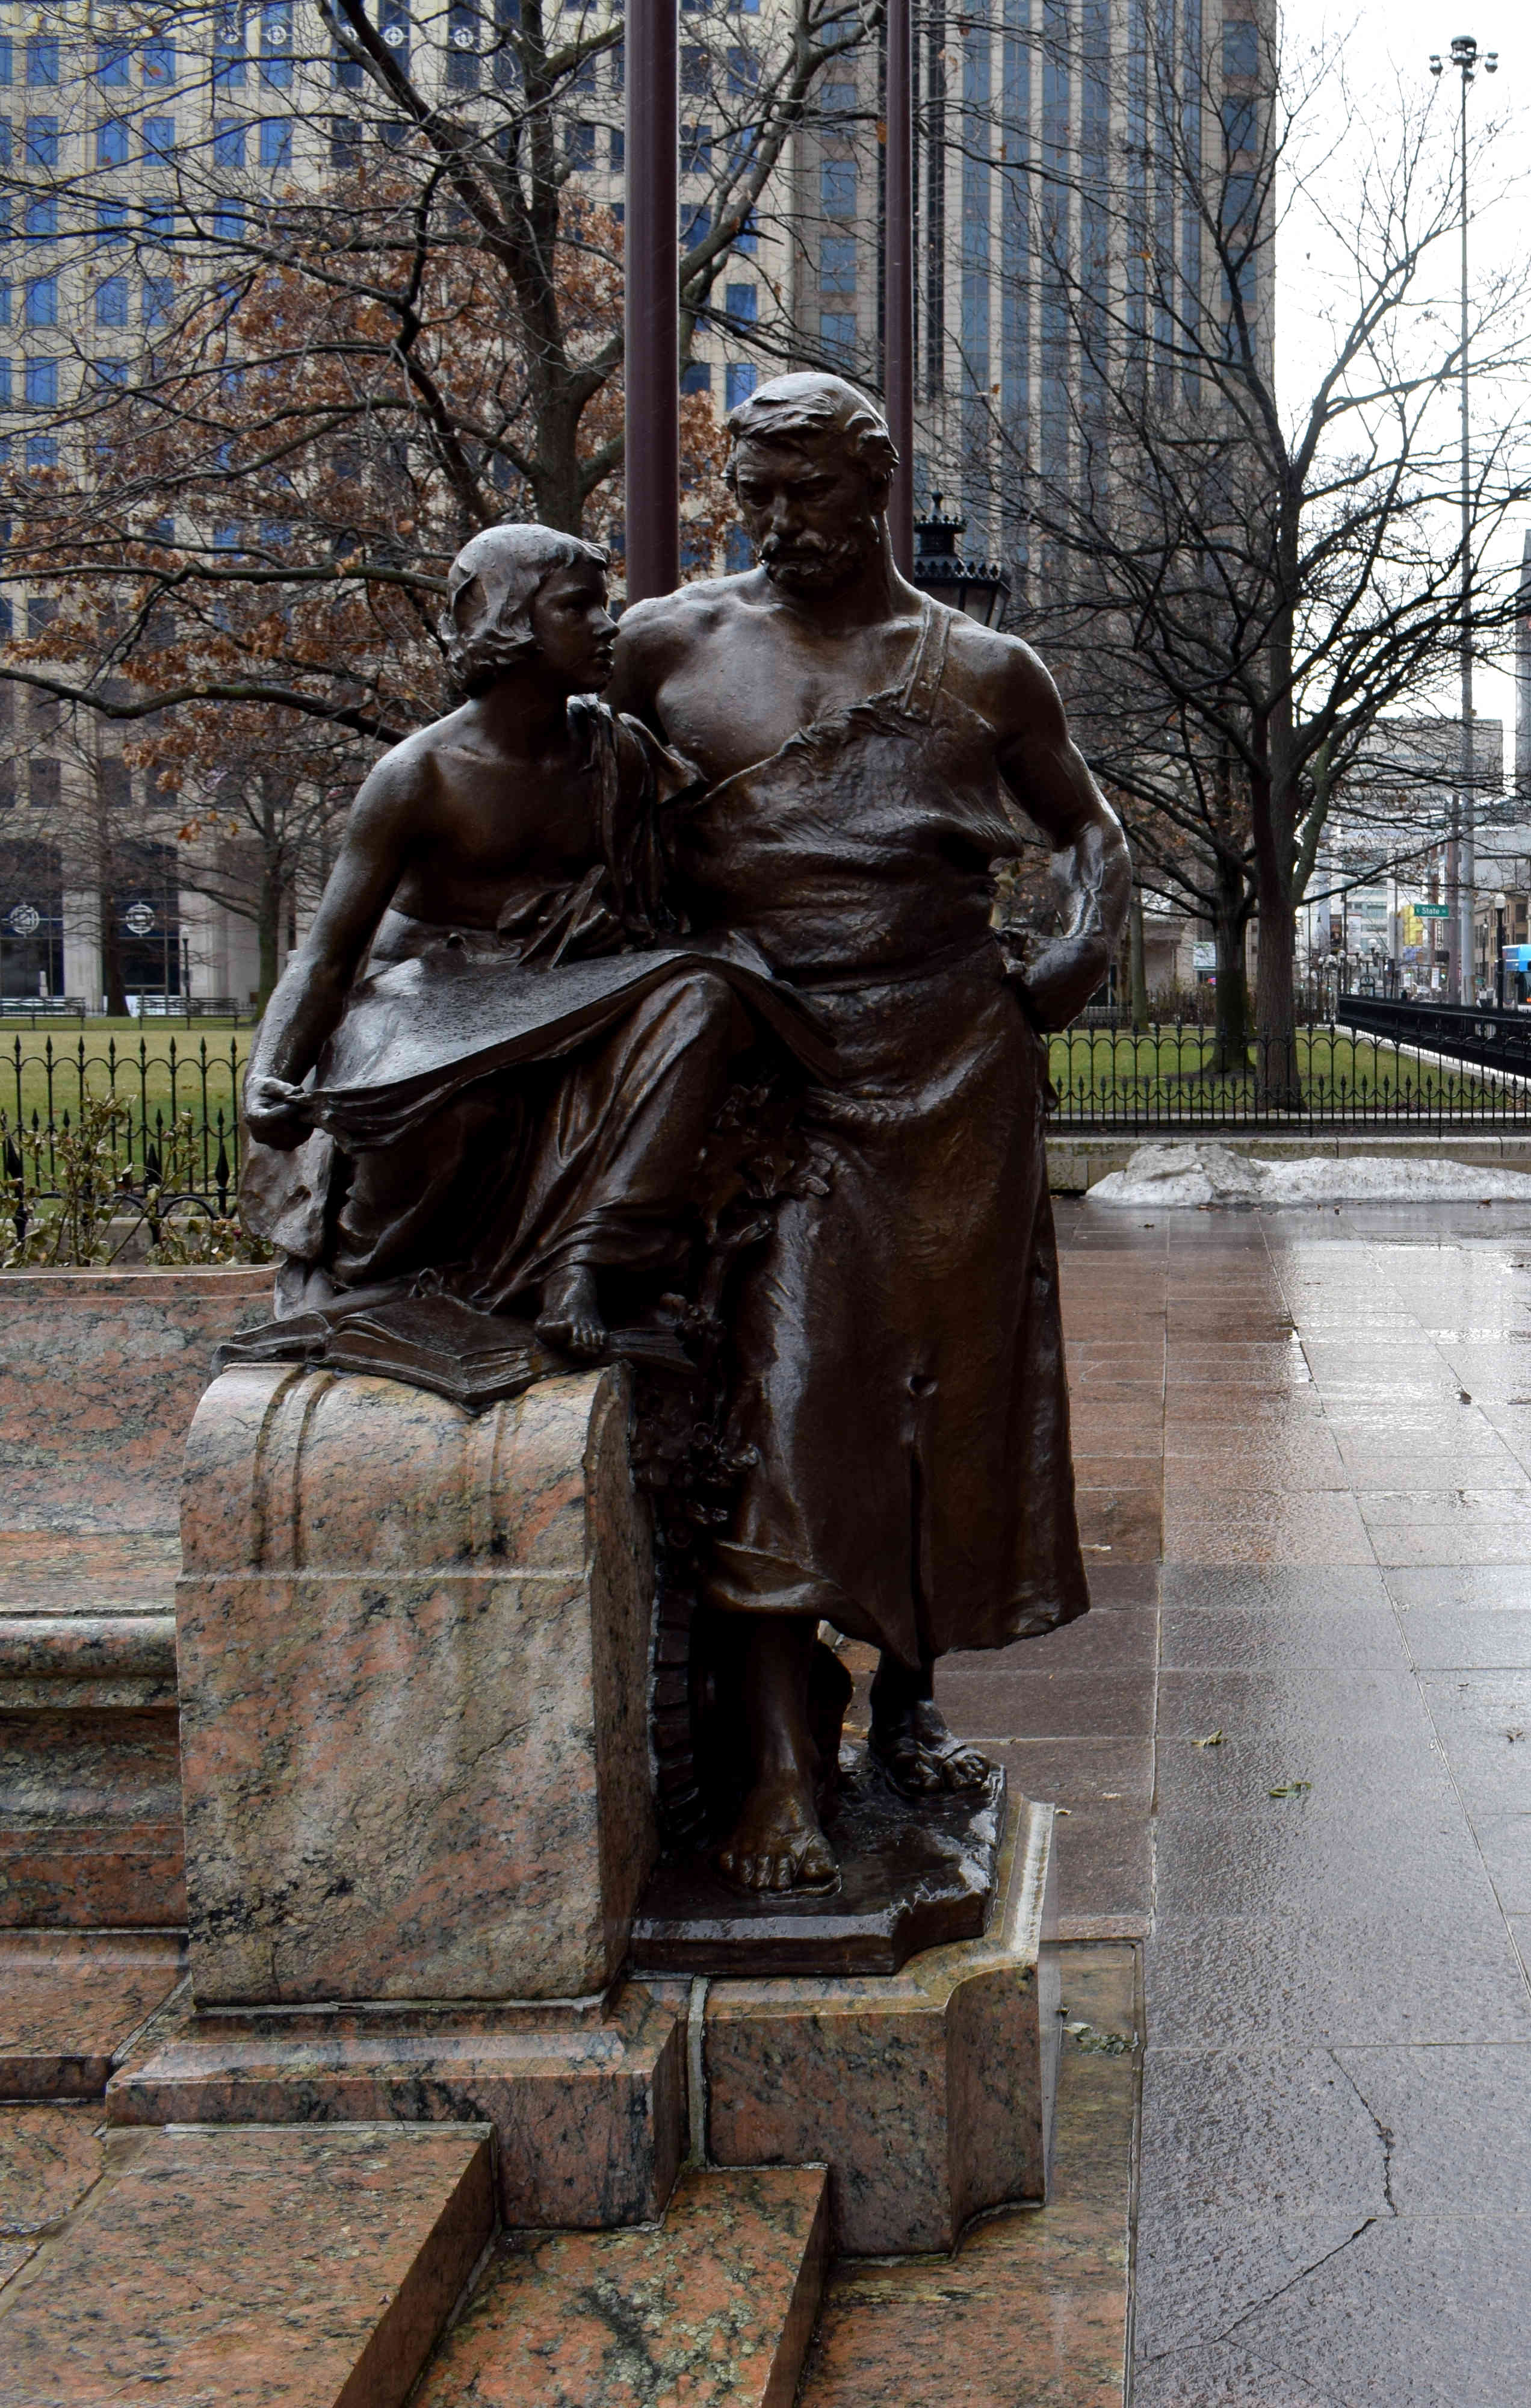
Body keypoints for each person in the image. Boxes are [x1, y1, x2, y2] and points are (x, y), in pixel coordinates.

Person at [613, 374, 1130, 1896]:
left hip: (954, 1067)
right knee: (785, 1396)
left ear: (877, 487)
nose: (773, 525)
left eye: (805, 496)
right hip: (773, 1076)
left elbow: (1090, 831)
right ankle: (783, 1759)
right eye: (751, 494)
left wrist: (1080, 956)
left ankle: (906, 1700)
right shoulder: (668, 646)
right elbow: (533, 790)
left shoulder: (983, 670)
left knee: (940, 1411)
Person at [241, 524, 814, 1356]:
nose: (608, 624)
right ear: (510, 622)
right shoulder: (420, 776)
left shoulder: (617, 754)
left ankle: (583, 1260)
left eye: (604, 603)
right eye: (579, 607)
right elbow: (327, 955)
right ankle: (376, 1278)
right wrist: (272, 1072)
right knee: (463, 1107)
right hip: (428, 1005)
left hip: (567, 994)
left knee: (703, 995)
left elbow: (683, 893)